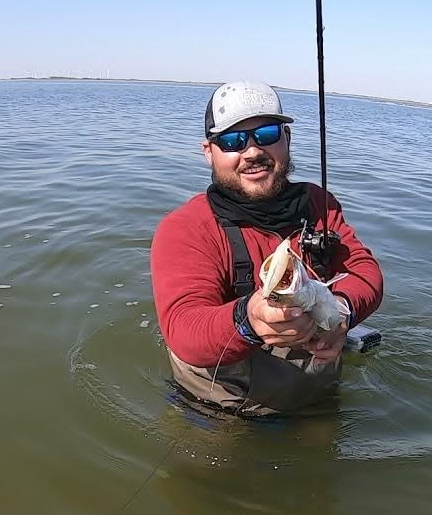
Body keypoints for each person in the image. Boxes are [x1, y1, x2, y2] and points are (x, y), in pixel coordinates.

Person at [150, 80, 385, 416]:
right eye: (232, 141)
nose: (252, 152)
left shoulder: (319, 204)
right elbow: (183, 327)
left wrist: (341, 313)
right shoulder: (185, 228)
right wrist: (248, 319)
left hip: (316, 402)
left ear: (286, 139)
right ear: (209, 152)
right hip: (220, 410)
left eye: (267, 134)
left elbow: (365, 271)